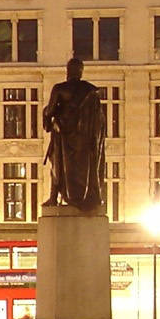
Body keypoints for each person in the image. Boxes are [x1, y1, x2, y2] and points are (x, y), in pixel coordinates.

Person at [42, 56, 107, 212]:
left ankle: (54, 197)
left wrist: (48, 115)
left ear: (68, 71)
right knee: (83, 169)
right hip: (84, 141)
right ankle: (84, 195)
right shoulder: (91, 91)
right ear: (81, 72)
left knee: (56, 165)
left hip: (63, 137)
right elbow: (99, 119)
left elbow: (50, 111)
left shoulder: (60, 89)